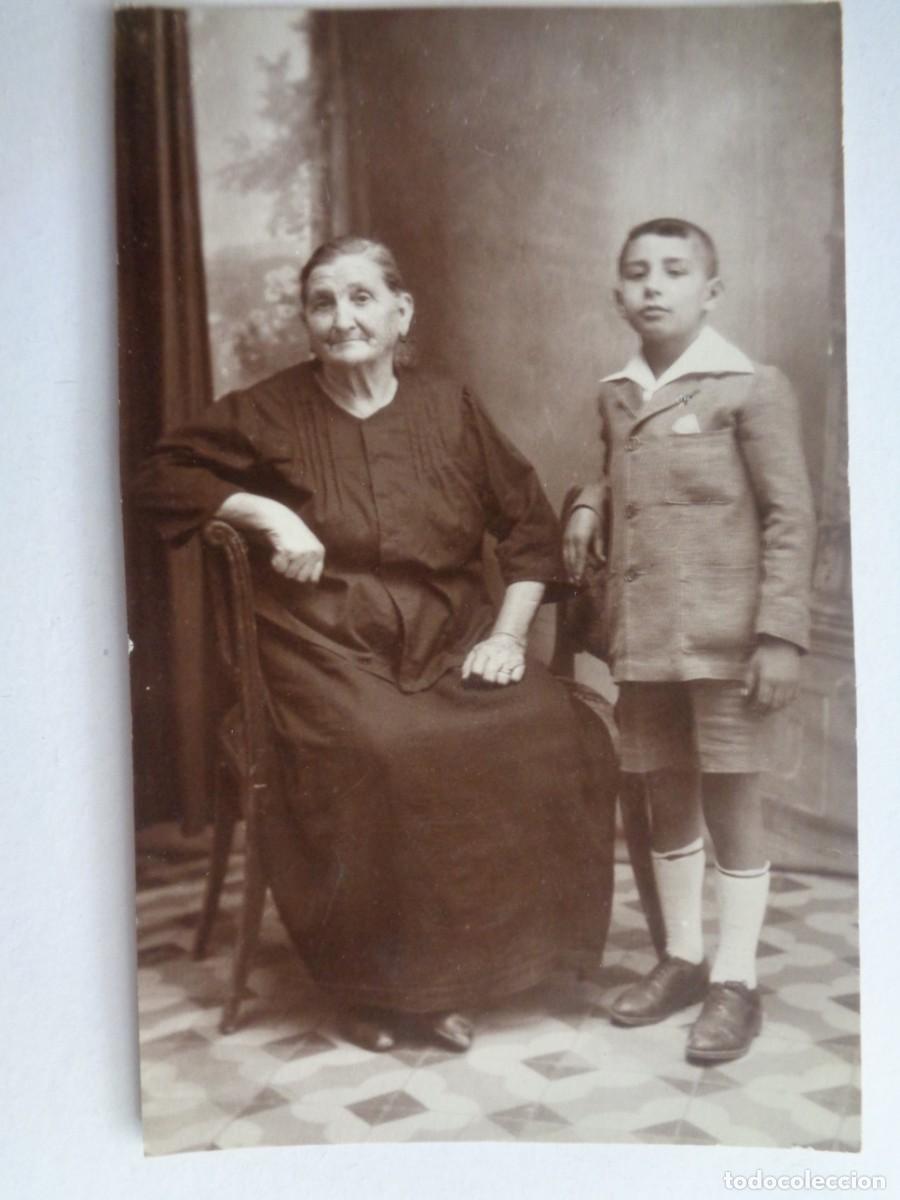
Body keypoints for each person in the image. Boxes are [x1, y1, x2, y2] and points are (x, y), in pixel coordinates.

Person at [134, 235, 615, 1054]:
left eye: (361, 298)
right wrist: (266, 512)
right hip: (321, 646)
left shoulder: (448, 404)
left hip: (451, 633)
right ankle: (383, 987)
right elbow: (155, 477)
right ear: (307, 318)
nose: (341, 317)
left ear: (402, 313)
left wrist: (506, 635)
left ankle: (514, 962)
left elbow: (528, 527)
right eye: (322, 301)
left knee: (549, 724)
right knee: (387, 750)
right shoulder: (268, 410)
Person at [564, 218, 815, 1063]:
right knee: (663, 796)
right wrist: (588, 502)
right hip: (645, 643)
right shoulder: (616, 392)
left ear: (711, 290)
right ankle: (681, 957)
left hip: (726, 641)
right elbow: (614, 468)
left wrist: (778, 634)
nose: (653, 287)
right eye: (636, 273)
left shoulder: (751, 385)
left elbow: (791, 516)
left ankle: (735, 980)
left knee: (732, 801)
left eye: (674, 271)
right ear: (617, 293)